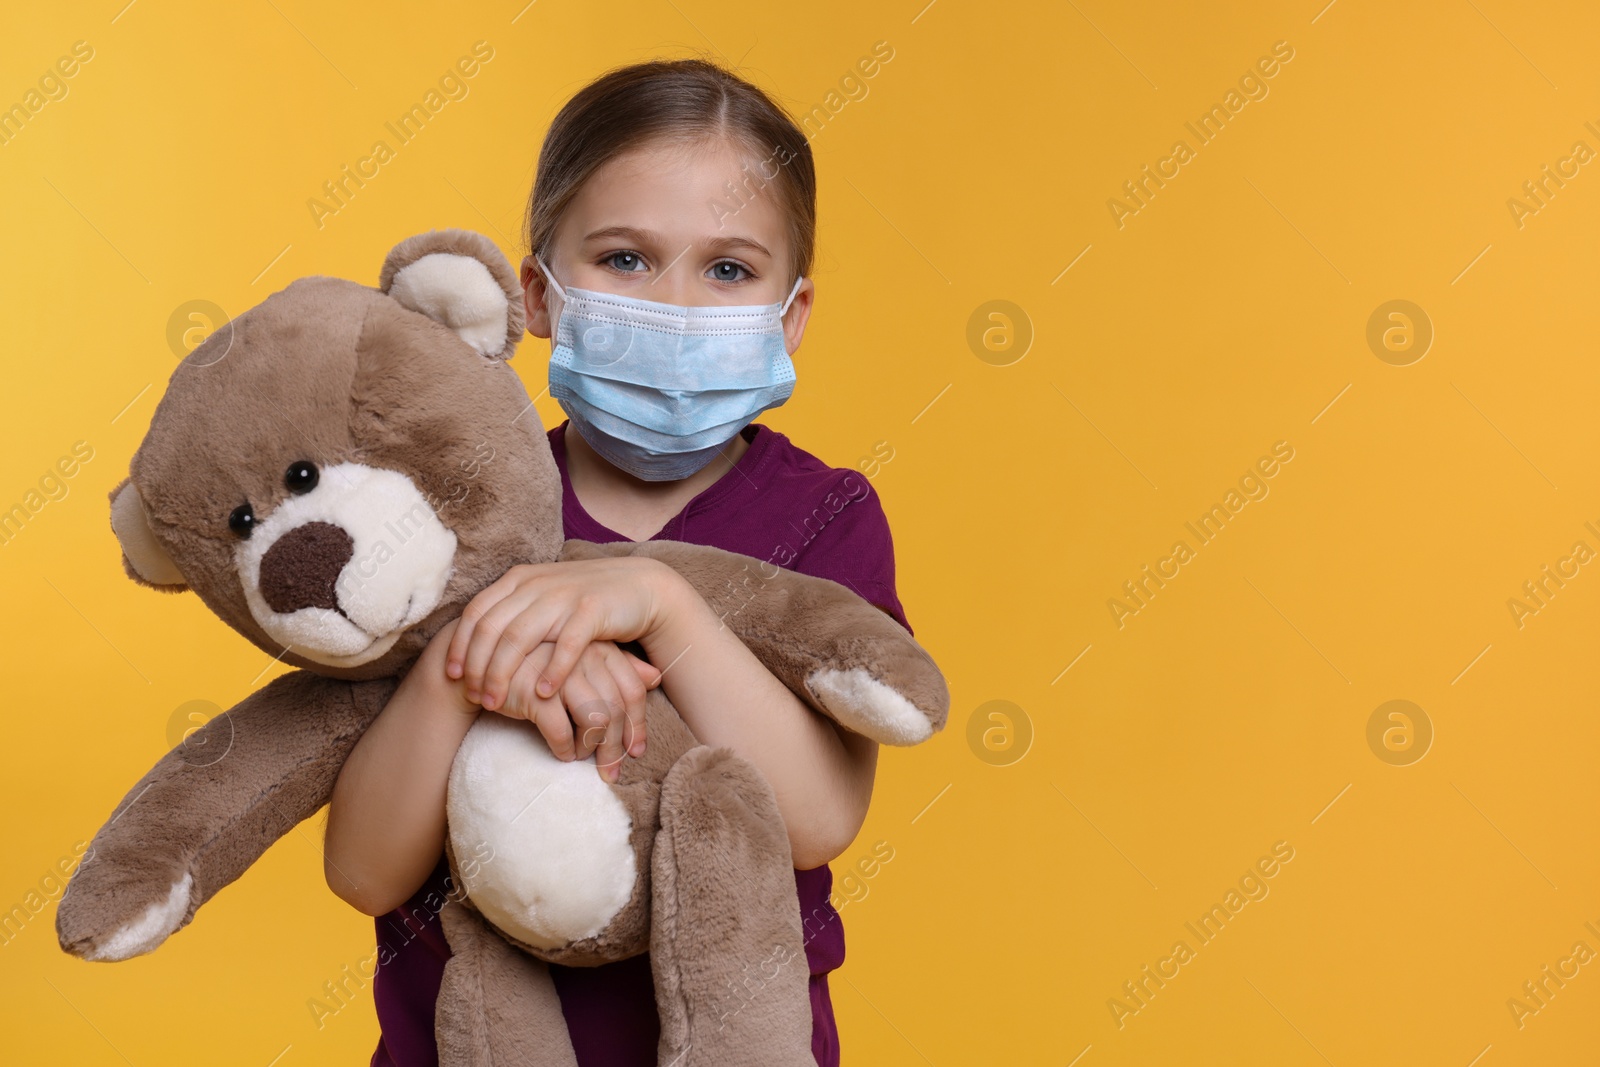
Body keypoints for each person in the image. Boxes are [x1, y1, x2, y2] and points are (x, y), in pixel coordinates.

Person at [323, 58, 915, 1067]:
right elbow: (364, 869)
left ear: (792, 314)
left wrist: (657, 603)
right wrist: (477, 654)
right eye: (624, 259)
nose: (675, 305)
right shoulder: (446, 514)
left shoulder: (824, 518)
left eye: (728, 269)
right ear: (537, 292)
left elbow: (815, 820)